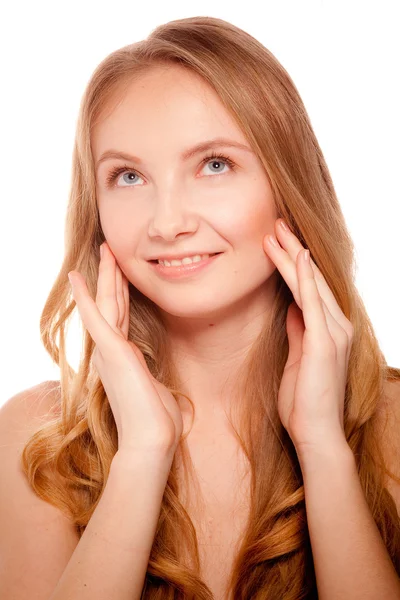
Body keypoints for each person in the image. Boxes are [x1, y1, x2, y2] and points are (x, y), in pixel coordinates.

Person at [1, 15, 400, 600]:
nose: (168, 224)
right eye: (129, 175)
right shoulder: (34, 439)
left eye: (214, 164)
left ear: (289, 185)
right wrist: (140, 454)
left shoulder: (392, 424)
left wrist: (322, 446)